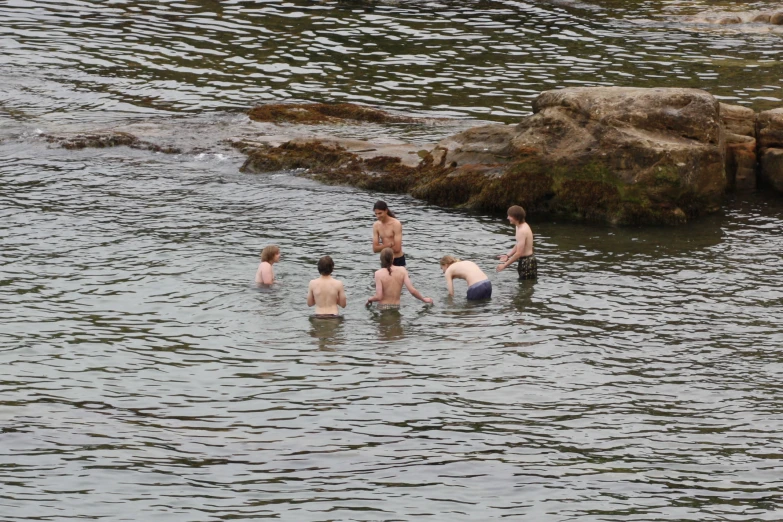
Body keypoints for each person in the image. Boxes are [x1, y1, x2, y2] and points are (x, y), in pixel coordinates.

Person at [366, 248, 433, 309]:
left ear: (381, 259)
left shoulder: (378, 273)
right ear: (393, 258)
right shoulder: (402, 270)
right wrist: (424, 299)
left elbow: (379, 296)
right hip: (396, 307)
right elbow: (412, 291)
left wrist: (370, 299)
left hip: (383, 307)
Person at [496, 205, 537, 280]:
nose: (507, 218)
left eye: (509, 216)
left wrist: (504, 265)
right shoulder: (518, 226)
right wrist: (508, 255)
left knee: (526, 287)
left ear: (516, 217)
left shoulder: (522, 230)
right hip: (525, 261)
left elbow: (519, 253)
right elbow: (519, 244)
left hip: (527, 262)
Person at [372, 200, 406, 266]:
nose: (378, 216)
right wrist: (387, 245)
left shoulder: (396, 224)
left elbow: (397, 248)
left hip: (398, 259)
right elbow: (375, 249)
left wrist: (382, 248)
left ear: (386, 211)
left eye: (380, 213)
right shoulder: (376, 225)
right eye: (376, 214)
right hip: (385, 260)